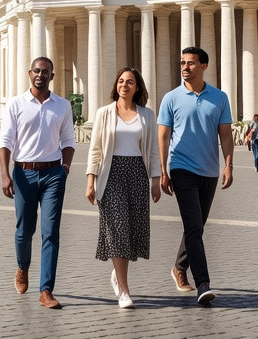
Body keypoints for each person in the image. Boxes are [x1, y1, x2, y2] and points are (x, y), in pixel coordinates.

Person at [158, 46, 234, 306]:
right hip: (181, 168)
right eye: (182, 63)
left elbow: (225, 134)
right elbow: (163, 135)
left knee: (197, 226)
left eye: (190, 63)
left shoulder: (220, 98)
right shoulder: (171, 98)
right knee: (193, 226)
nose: (184, 67)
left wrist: (228, 165)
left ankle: (179, 267)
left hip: (210, 169)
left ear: (204, 66)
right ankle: (203, 283)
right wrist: (163, 170)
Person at [0, 57, 74, 309]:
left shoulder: (62, 106)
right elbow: (6, 141)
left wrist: (65, 168)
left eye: (46, 71)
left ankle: (46, 290)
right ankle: (22, 267)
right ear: (29, 73)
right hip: (24, 173)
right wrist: (5, 174)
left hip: (53, 174)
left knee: (50, 232)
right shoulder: (16, 104)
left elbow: (69, 140)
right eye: (37, 71)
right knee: (24, 231)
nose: (41, 75)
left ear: (52, 76)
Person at [84, 67, 161, 310]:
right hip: (111, 173)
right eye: (120, 81)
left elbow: (152, 151)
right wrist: (90, 181)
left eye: (129, 82)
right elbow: (95, 149)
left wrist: (156, 180)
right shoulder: (104, 113)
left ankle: (118, 276)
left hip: (137, 172)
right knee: (117, 230)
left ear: (137, 87)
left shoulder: (147, 115)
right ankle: (125, 292)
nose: (124, 85)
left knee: (131, 231)